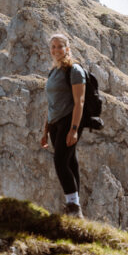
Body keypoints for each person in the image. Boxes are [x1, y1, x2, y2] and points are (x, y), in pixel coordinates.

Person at [41, 33, 86, 217]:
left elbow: (79, 101)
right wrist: (45, 130)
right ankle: (75, 204)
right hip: (54, 123)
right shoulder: (53, 71)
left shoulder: (74, 70)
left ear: (67, 48)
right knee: (70, 161)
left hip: (69, 121)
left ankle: (73, 207)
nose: (56, 50)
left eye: (60, 46)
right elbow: (52, 103)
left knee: (60, 161)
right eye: (53, 46)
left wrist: (74, 129)